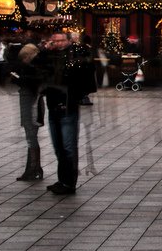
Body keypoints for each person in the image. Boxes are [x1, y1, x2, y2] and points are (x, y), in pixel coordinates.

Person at [36, 31, 97, 195]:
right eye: (55, 41)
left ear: (69, 41)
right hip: (53, 105)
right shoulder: (50, 56)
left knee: (68, 146)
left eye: (61, 40)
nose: (58, 43)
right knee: (58, 146)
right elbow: (36, 65)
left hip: (68, 106)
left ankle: (69, 183)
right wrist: (44, 49)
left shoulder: (76, 55)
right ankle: (62, 179)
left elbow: (85, 69)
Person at [10, 34, 44, 181]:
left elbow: (30, 84)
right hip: (32, 103)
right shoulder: (33, 69)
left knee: (31, 136)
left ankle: (33, 168)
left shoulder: (32, 70)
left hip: (31, 104)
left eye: (24, 58)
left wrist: (18, 78)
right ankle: (35, 168)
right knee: (31, 136)